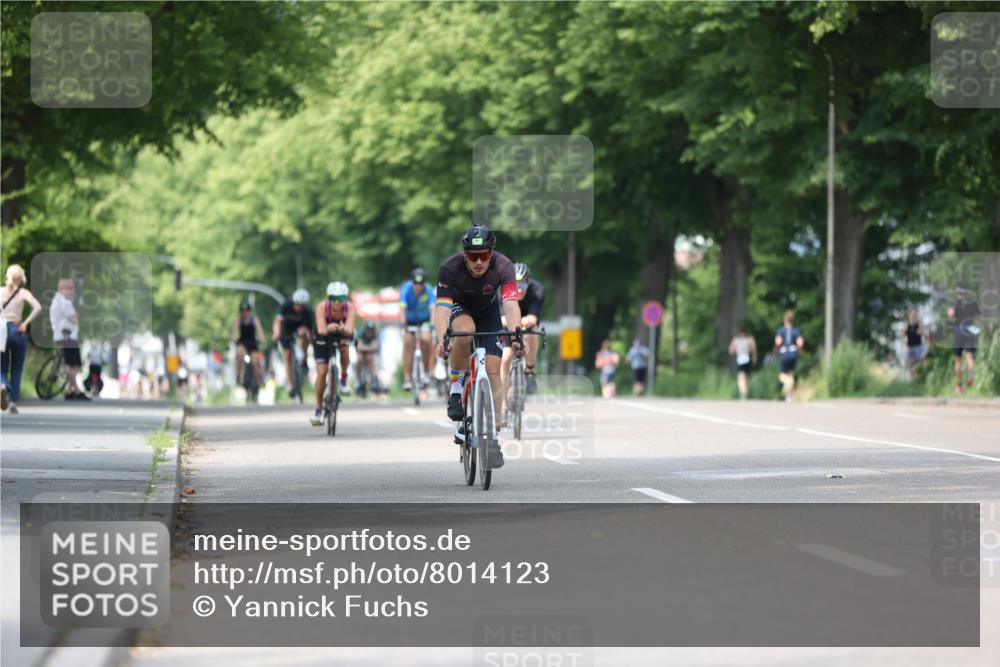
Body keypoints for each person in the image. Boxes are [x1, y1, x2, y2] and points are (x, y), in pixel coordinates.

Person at [434, 224, 522, 468]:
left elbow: (511, 305)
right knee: (465, 332)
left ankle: (493, 437)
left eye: (484, 255)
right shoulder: (450, 269)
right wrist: (442, 339)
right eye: (473, 256)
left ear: (491, 253)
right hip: (460, 309)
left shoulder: (504, 266)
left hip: (488, 313)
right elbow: (441, 310)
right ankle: (455, 388)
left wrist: (516, 337)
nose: (479, 262)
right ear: (465, 255)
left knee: (494, 371)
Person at [500, 262, 545, 405]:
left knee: (532, 334)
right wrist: (514, 322)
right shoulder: (502, 290)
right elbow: (501, 318)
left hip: (527, 321)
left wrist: (525, 321)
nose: (519, 290)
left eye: (523, 285)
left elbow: (533, 318)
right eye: (516, 285)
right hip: (507, 322)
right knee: (506, 357)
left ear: (528, 282)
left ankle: (530, 371)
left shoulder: (537, 290)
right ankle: (504, 401)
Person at [311, 281, 355, 426]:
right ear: (329, 298)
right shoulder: (322, 307)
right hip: (323, 335)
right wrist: (329, 327)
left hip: (341, 333)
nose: (337, 302)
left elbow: (349, 329)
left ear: (345, 298)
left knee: (344, 348)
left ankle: (343, 377)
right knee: (322, 372)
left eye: (341, 298)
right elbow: (321, 329)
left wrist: (342, 329)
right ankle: (317, 409)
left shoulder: (349, 308)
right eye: (333, 298)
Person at [1, 264, 43, 414]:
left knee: (2, 366)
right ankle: (13, 402)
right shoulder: (23, 293)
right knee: (17, 368)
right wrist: (25, 323)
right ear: (21, 278)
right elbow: (38, 307)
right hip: (18, 330)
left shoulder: (0, 292)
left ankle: (2, 385)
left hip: (2, 331)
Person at [49, 278, 87, 400]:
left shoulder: (57, 300)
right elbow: (74, 318)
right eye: (70, 288)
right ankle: (76, 390)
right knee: (74, 364)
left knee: (70, 364)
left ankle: (70, 390)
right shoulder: (64, 302)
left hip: (62, 336)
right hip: (68, 336)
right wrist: (76, 316)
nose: (72, 291)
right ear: (62, 289)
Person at [272, 288, 314, 398]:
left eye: (302, 305)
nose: (299, 307)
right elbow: (278, 321)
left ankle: (304, 360)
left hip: (300, 331)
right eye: (297, 305)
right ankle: (290, 383)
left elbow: (311, 331)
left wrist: (310, 339)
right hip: (286, 331)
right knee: (287, 354)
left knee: (305, 337)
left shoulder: (308, 311)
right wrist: (276, 333)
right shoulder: (286, 306)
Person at [400, 267, 435, 391]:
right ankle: (407, 378)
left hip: (424, 320)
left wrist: (432, 323)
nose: (418, 286)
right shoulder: (406, 289)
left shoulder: (429, 290)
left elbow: (432, 308)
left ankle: (427, 369)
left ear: (424, 283)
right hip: (409, 320)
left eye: (420, 284)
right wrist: (403, 325)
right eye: (416, 283)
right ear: (412, 282)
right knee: (407, 342)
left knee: (427, 339)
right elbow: (402, 309)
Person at [948, 286, 980, 394]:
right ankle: (970, 375)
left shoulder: (955, 303)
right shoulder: (972, 303)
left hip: (959, 333)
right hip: (970, 332)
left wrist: (953, 314)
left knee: (958, 360)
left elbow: (951, 315)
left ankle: (959, 386)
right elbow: (978, 317)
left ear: (958, 293)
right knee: (970, 357)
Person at [230, 300, 265, 390]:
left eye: (247, 311)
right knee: (239, 354)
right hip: (242, 342)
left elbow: (260, 331)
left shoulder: (254, 320)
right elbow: (234, 332)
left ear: (249, 311)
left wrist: (262, 339)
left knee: (255, 362)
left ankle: (257, 382)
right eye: (243, 311)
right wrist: (234, 339)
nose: (245, 313)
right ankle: (239, 374)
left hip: (253, 343)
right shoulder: (239, 320)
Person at [773, 310, 804, 402]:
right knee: (791, 374)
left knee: (782, 375)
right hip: (793, 353)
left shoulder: (781, 330)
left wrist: (775, 351)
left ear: (785, 320)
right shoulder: (796, 331)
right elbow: (800, 342)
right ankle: (789, 395)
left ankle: (787, 387)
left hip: (784, 353)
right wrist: (801, 351)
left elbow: (778, 342)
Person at [728, 326, 758, 400]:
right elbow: (754, 349)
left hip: (740, 359)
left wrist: (736, 351)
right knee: (746, 376)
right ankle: (745, 390)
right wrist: (754, 358)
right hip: (747, 358)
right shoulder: (750, 339)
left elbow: (731, 350)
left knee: (741, 376)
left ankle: (743, 391)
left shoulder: (736, 340)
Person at [355, 320, 381, 395]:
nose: (369, 331)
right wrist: (369, 347)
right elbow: (359, 346)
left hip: (370, 352)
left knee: (371, 358)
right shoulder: (360, 333)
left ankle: (372, 379)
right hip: (361, 351)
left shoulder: (375, 334)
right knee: (359, 359)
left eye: (371, 330)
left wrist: (367, 347)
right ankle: (358, 378)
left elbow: (375, 346)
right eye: (368, 330)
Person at [901, 308, 928, 381]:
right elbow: (902, 337)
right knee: (910, 364)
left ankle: (923, 378)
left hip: (919, 346)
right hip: (910, 347)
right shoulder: (906, 325)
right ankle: (914, 380)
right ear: (909, 315)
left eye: (915, 314)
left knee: (923, 362)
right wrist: (905, 346)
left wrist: (922, 332)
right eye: (912, 314)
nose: (914, 316)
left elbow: (926, 336)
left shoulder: (919, 324)